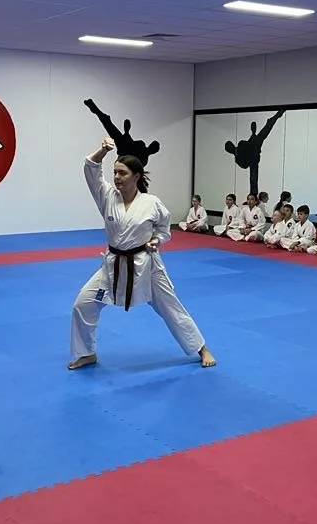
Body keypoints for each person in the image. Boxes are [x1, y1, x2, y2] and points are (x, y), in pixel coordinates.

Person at [69, 137, 214, 370]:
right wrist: (103, 151)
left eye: (122, 173)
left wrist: (156, 240)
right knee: (83, 303)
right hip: (113, 265)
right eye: (115, 172)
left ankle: (201, 348)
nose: (116, 177)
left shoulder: (151, 202)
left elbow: (164, 229)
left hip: (146, 266)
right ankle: (86, 353)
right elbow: (90, 168)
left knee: (171, 307)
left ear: (136, 176)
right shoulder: (107, 196)